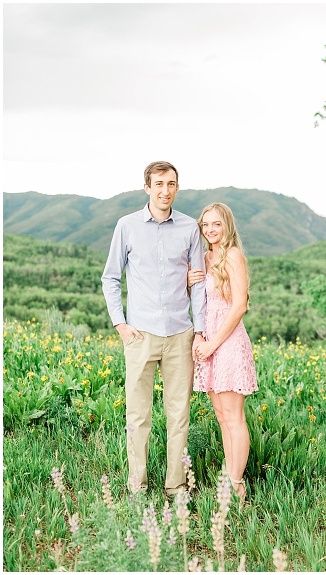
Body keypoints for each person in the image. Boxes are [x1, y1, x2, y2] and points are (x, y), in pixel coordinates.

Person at [102, 161, 206, 496]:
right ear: (147, 186)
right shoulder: (127, 226)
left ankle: (175, 487)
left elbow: (200, 283)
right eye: (159, 183)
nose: (165, 190)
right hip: (140, 335)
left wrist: (200, 330)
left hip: (180, 334)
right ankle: (137, 487)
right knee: (138, 417)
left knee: (179, 417)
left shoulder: (190, 228)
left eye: (171, 184)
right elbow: (111, 277)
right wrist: (120, 323)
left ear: (177, 187)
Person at [187, 202, 258, 501]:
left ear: (227, 225)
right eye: (206, 225)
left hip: (227, 341)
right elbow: (200, 301)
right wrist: (199, 335)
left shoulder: (232, 256)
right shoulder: (204, 258)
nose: (210, 230)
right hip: (208, 341)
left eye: (216, 224)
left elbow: (239, 305)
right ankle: (230, 477)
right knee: (220, 415)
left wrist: (213, 343)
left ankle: (236, 484)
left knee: (233, 416)